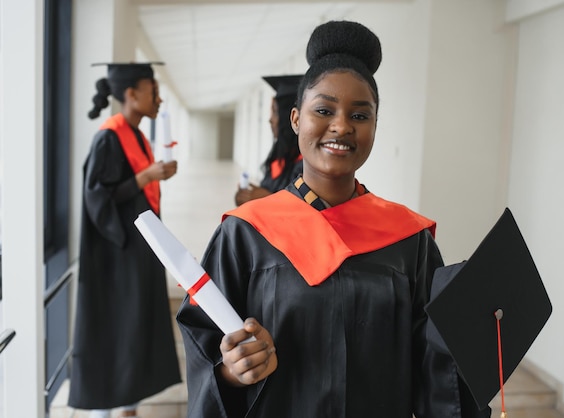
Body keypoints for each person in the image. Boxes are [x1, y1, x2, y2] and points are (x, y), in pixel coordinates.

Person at [177, 21, 490, 418]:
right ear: (296, 120)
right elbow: (206, 342)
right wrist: (231, 373)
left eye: (360, 115)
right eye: (324, 110)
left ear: (375, 126)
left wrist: (476, 335)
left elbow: (433, 365)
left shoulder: (409, 240)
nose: (341, 126)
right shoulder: (245, 233)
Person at [69, 62, 182, 418]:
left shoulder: (136, 134)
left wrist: (154, 175)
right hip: (117, 254)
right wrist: (146, 176)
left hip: (139, 248)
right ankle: (104, 408)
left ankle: (130, 403)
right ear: (131, 94)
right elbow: (97, 198)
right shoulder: (108, 137)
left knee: (137, 327)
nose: (159, 99)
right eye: (153, 91)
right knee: (118, 328)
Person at [234, 74, 303, 206]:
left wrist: (267, 198)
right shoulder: (280, 156)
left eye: (275, 112)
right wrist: (247, 196)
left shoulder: (306, 166)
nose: (270, 119)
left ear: (291, 118)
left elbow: (304, 212)